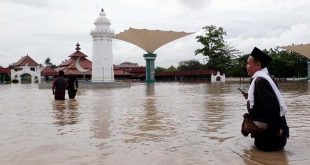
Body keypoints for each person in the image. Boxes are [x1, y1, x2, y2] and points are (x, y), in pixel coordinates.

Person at [241, 47, 289, 151]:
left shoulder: (260, 81)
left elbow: (272, 108)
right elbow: (266, 102)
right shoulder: (265, 77)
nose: (246, 66)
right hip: (270, 136)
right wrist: (249, 96)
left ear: (258, 65)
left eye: (249, 63)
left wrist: (276, 131)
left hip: (269, 138)